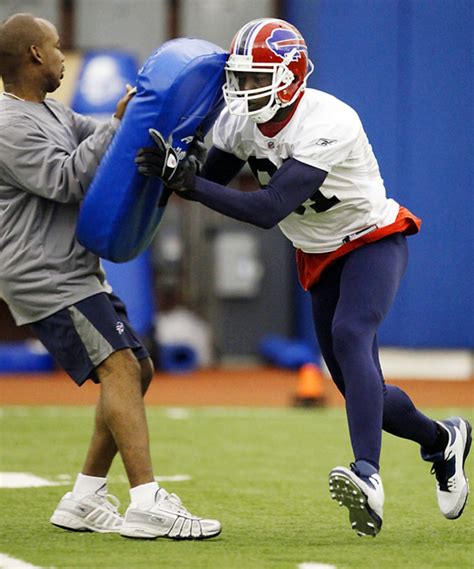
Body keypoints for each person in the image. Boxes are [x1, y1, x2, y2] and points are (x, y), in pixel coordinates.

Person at [135, 17, 471, 537]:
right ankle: (441, 440)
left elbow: (269, 207)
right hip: (317, 251)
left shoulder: (329, 120)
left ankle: (367, 475)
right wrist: (175, 163)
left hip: (371, 239)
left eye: (255, 78)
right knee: (363, 391)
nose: (243, 90)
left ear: (290, 76)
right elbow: (212, 178)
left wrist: (190, 184)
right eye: (241, 78)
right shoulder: (242, 121)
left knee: (350, 334)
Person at [0, 13, 221, 540]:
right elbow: (67, 178)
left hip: (71, 266)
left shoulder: (50, 110)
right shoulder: (7, 126)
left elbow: (100, 138)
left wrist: (136, 115)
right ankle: (147, 502)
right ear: (34, 55)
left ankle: (84, 498)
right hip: (43, 272)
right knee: (120, 369)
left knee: (135, 371)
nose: (61, 57)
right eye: (55, 48)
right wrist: (121, 124)